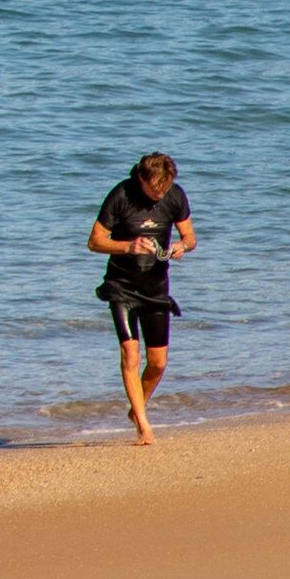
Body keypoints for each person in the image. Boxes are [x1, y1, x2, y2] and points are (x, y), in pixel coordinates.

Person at [89, 153, 195, 444]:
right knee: (130, 353)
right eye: (155, 189)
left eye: (165, 188)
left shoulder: (175, 195)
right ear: (141, 179)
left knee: (158, 363)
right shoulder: (120, 195)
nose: (161, 194)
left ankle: (137, 409)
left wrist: (182, 246)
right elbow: (94, 241)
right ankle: (144, 426)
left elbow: (190, 237)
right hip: (121, 286)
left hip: (156, 288)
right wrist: (129, 246)